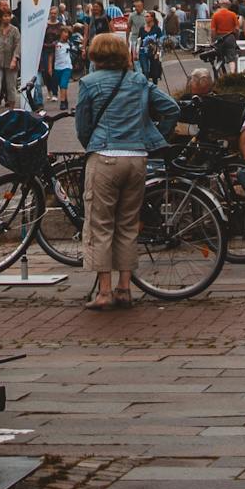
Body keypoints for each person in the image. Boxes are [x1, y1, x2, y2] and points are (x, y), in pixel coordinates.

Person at [69, 30, 177, 311]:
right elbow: (171, 108)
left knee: (100, 225)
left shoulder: (90, 83)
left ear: (95, 54)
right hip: (136, 157)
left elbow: (82, 124)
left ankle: (104, 292)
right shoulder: (139, 80)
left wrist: (90, 144)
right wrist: (154, 136)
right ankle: (124, 289)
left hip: (104, 156)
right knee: (128, 226)